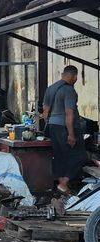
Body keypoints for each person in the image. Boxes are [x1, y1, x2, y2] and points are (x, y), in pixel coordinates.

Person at [41, 65, 86, 195]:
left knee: (60, 157)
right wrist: (71, 134)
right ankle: (64, 183)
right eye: (76, 77)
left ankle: (62, 186)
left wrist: (50, 126)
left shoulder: (50, 89)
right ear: (75, 76)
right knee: (80, 156)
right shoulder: (69, 90)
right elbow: (69, 113)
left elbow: (45, 112)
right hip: (65, 128)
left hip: (52, 127)